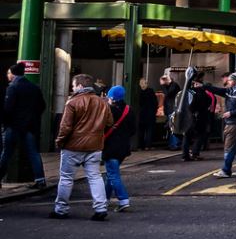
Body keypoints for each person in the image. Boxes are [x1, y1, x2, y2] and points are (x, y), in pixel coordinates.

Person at [50, 73, 114, 220]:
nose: (72, 88)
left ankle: (61, 209)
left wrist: (59, 142)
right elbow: (110, 122)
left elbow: (65, 127)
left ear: (80, 86)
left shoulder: (72, 102)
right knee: (95, 177)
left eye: (73, 85)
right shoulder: (102, 102)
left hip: (72, 146)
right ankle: (101, 208)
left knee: (66, 178)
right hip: (95, 146)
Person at [0, 63, 47, 190]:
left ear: (13, 74)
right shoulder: (34, 87)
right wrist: (33, 117)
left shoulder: (13, 88)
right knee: (33, 153)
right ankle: (40, 180)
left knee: (6, 153)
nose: (7, 75)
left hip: (13, 126)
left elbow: (8, 108)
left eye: (8, 73)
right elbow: (42, 105)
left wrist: (5, 123)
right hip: (30, 126)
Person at [204, 73, 236, 178]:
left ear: (235, 82)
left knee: (229, 147)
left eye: (230, 80)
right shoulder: (229, 91)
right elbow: (216, 90)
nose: (228, 82)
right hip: (230, 122)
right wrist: (203, 86)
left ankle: (226, 170)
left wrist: (231, 113)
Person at [102, 86, 135, 212]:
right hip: (123, 147)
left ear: (111, 98)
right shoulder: (129, 110)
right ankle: (104, 199)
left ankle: (123, 199)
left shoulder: (108, 110)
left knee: (113, 174)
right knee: (111, 174)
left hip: (110, 147)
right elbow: (133, 130)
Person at [181, 75, 209, 162]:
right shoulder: (202, 93)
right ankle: (195, 154)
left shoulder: (187, 92)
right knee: (199, 136)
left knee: (186, 136)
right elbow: (207, 103)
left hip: (187, 117)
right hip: (199, 117)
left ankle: (185, 155)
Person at [159, 74, 181, 150]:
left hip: (173, 110)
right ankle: (172, 144)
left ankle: (175, 144)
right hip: (170, 109)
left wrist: (163, 85)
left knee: (173, 127)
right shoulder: (169, 86)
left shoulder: (174, 86)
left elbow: (168, 94)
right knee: (171, 127)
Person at [136, 78, 157, 150]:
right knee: (149, 130)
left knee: (141, 130)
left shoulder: (138, 92)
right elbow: (155, 102)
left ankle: (140, 145)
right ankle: (148, 145)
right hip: (150, 113)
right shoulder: (151, 91)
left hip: (141, 113)